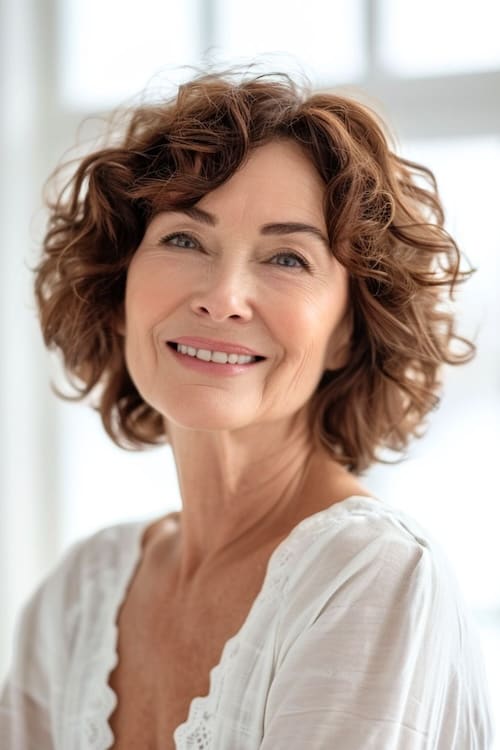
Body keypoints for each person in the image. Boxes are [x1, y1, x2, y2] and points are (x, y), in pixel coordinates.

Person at [0, 69, 494, 749]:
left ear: (348, 328)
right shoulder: (81, 596)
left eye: (287, 259)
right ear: (119, 288)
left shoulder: (370, 575)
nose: (223, 296)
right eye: (183, 239)